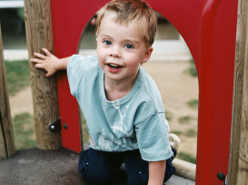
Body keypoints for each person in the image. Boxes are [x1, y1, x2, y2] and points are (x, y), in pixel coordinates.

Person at [30, 0, 178, 184]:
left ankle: (169, 150)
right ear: (98, 40)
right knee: (93, 173)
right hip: (105, 144)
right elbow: (75, 61)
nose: (114, 52)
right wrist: (55, 63)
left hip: (139, 146)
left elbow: (155, 157)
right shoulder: (88, 71)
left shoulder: (146, 101)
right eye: (107, 42)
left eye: (128, 46)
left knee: (142, 177)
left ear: (146, 55)